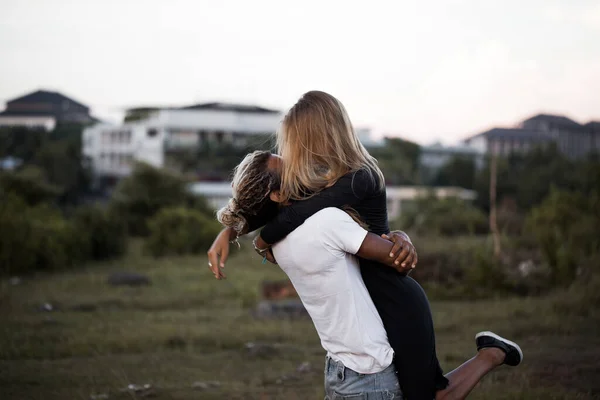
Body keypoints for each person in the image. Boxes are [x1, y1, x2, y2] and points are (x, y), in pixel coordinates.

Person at [208, 91, 523, 399]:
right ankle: (492, 353)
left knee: (426, 395)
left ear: (318, 136)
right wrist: (233, 230)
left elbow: (293, 215)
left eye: (294, 143)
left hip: (393, 297)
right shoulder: (324, 187)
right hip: (373, 302)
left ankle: (491, 354)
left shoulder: (360, 177)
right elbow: (279, 207)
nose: (292, 156)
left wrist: (258, 239)